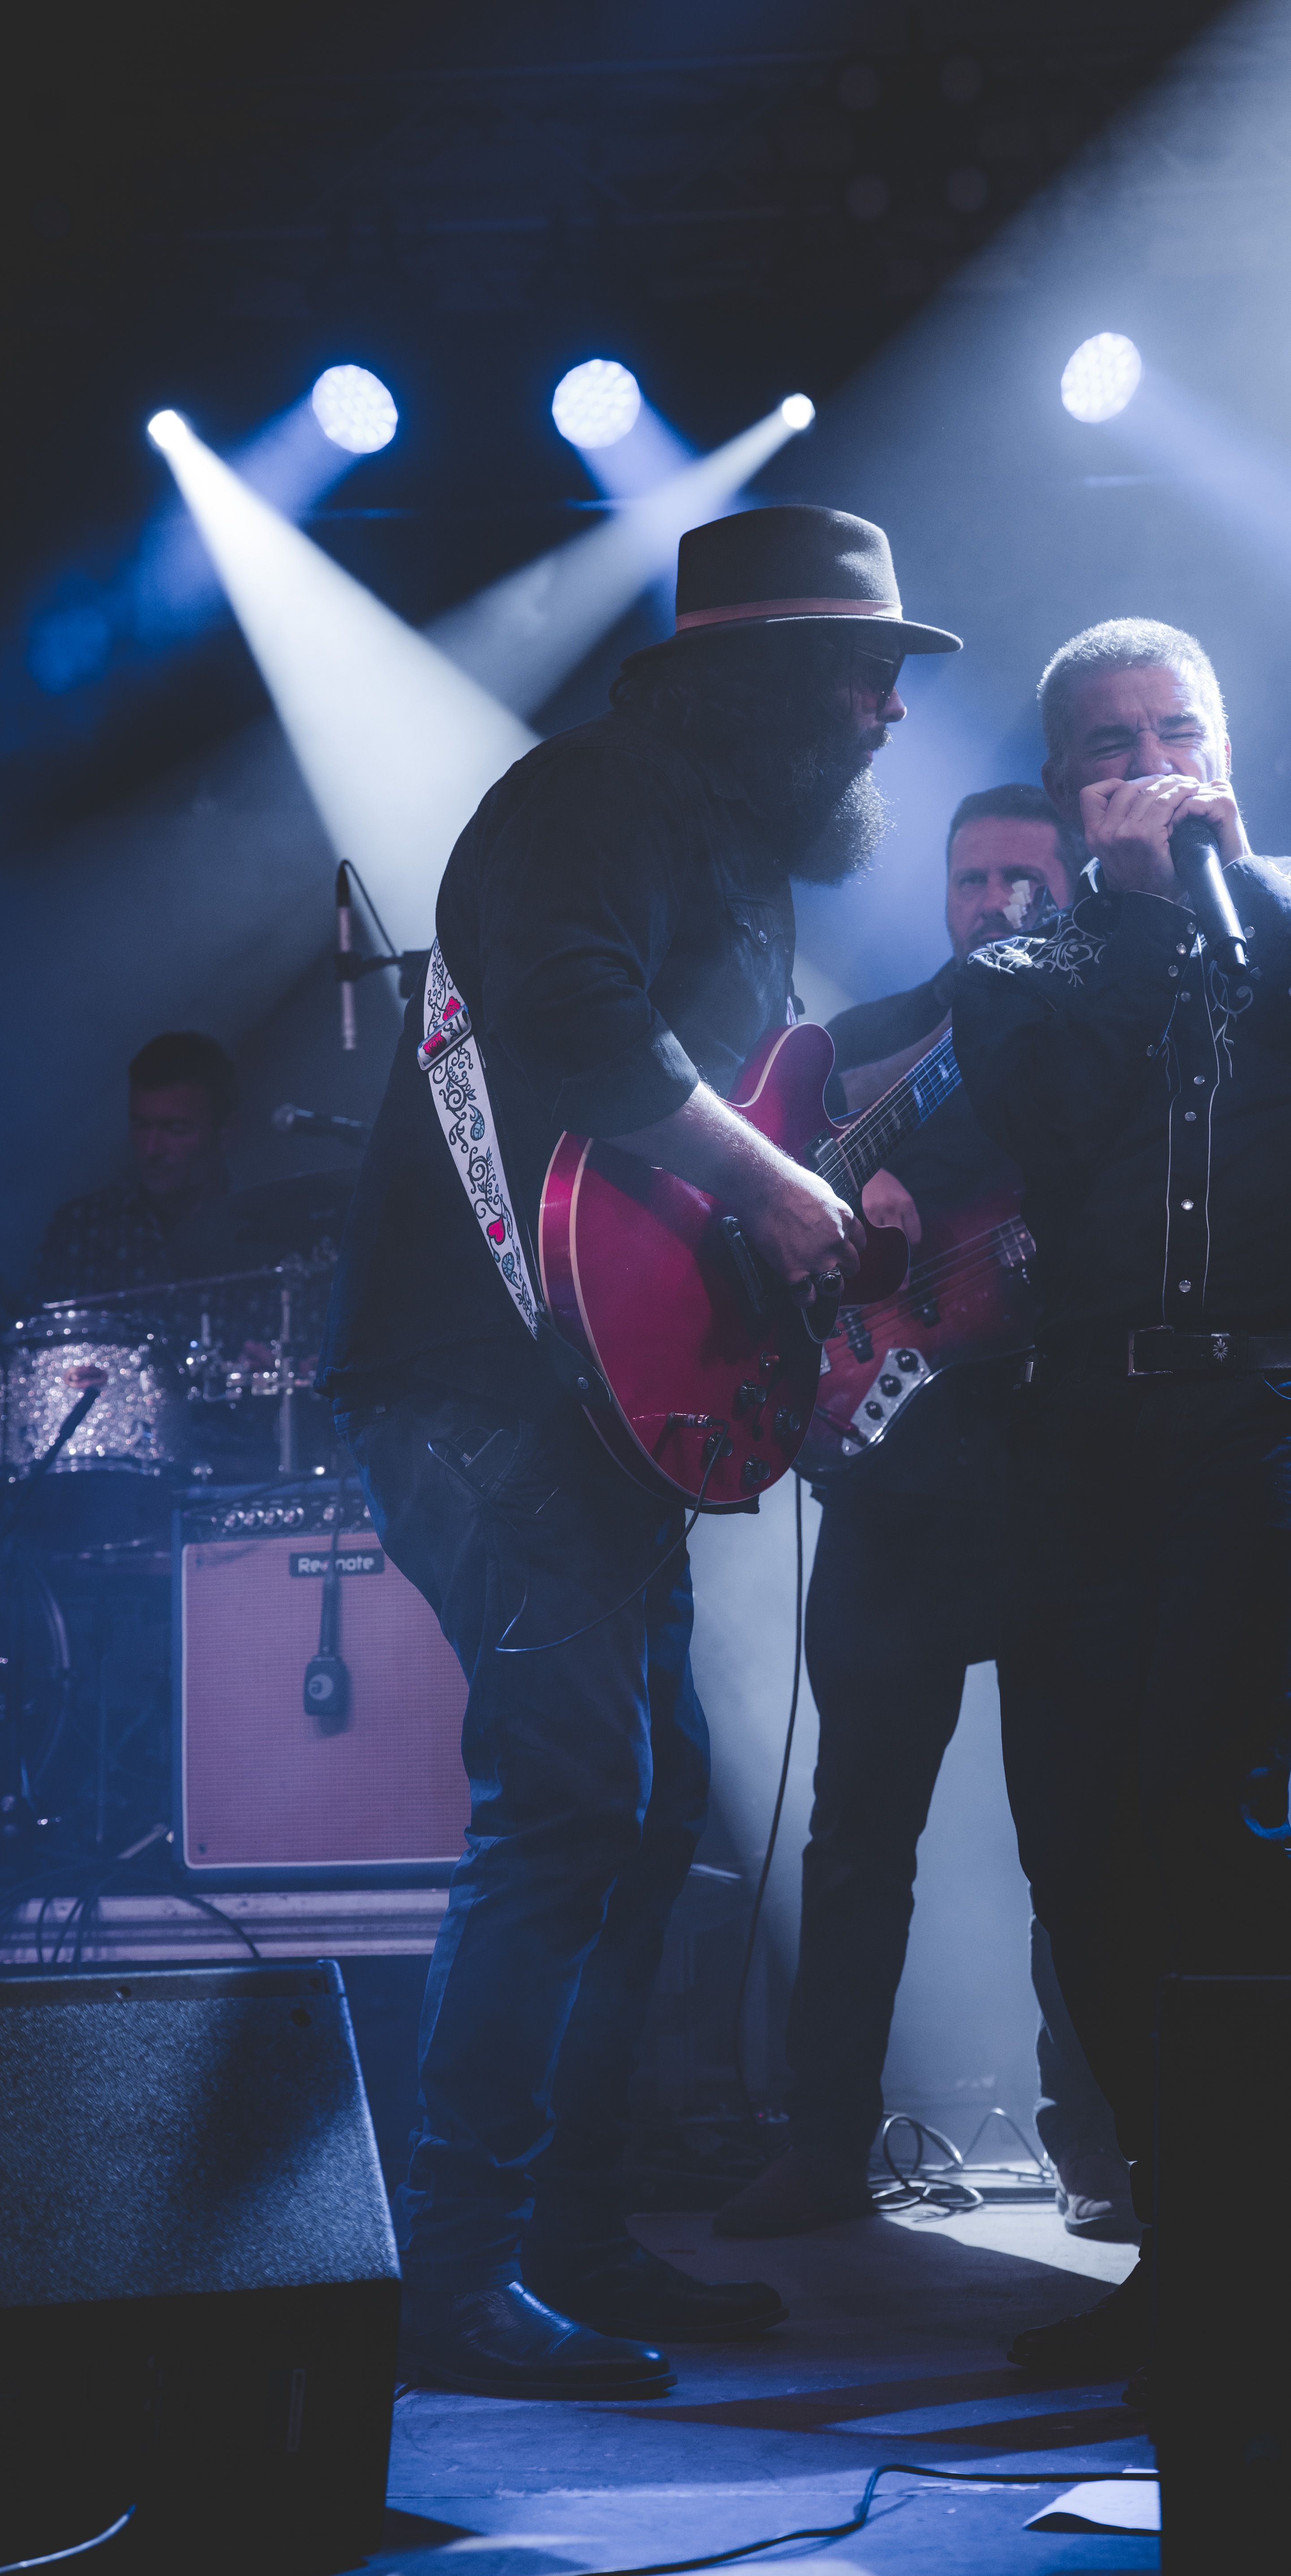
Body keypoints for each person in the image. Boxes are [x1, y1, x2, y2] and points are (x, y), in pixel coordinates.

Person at [317, 505, 961, 2401]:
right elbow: (572, 1020)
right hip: (471, 1380)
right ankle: (450, 2272)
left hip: (586, 1407)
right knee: (572, 1796)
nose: (881, 711)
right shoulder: (590, 798)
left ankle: (570, 2244)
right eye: (860, 674)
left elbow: (756, 1107)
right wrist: (777, 1194)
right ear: (758, 679)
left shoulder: (741, 874)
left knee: (650, 1801)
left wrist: (954, 1023)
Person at [951, 618, 1291, 2384]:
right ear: (1065, 783)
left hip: (1285, 1397)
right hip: (1085, 1423)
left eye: (1174, 730)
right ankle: (1191, 2232)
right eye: (1109, 744)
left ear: (1224, 744)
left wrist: (1235, 888)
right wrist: (1136, 913)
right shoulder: (1023, 970)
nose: (1149, 761)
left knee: (1202, 1800)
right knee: (1075, 1831)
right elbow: (1059, 1122)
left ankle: (1288, 2243)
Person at [713, 784, 1137, 2245]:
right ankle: (825, 2148)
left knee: (1078, 1837)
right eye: (975, 880)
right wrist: (853, 1199)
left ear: (1073, 887)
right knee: (857, 1835)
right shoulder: (865, 1040)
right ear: (944, 891)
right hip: (894, 1478)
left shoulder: (1115, 1014)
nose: (1000, 904)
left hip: (1062, 1465)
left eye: (1028, 879)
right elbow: (781, 1219)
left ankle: (1102, 2149)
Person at [37, 1031, 241, 1301]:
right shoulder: (80, 1231)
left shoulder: (265, 1232)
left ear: (225, 1134)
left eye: (175, 1129)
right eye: (141, 1125)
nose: (151, 1149)